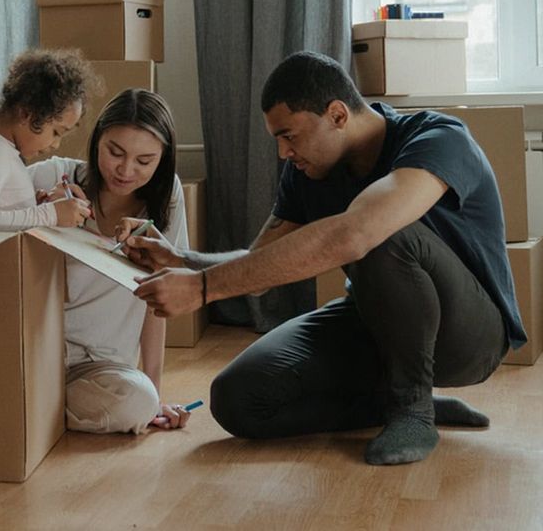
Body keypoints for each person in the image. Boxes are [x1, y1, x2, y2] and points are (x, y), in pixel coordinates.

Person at [126, 50, 526, 465]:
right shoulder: (306, 172)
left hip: (470, 337)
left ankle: (413, 409)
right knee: (237, 399)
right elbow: (261, 265)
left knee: (379, 231)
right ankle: (392, 402)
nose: (283, 153)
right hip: (376, 323)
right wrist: (182, 262)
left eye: (290, 136)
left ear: (337, 114)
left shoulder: (439, 139)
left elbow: (358, 233)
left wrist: (203, 289)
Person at [0, 88, 194, 434]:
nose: (125, 170)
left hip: (100, 368)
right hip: (36, 352)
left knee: (139, 402)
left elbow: (157, 301)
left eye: (144, 161)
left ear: (162, 160)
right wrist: (40, 210)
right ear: (96, 141)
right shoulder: (55, 176)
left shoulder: (168, 200)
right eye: (114, 152)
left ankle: (26, 409)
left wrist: (156, 394)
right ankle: (28, 406)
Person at [0, 49, 95, 231]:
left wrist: (33, 206)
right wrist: (50, 214)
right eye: (56, 132)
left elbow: (0, 213)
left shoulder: (3, 150)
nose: (56, 144)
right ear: (26, 113)